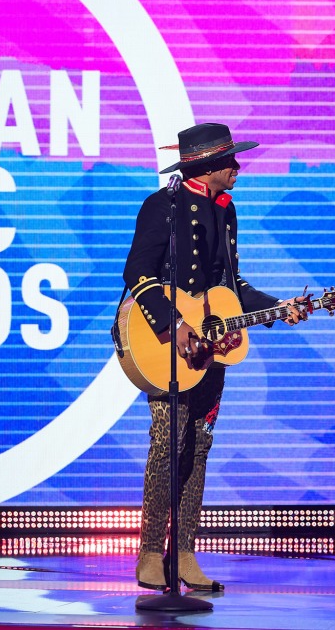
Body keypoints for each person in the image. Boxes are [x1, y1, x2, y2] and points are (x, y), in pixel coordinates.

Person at [124, 122, 306, 591]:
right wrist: (173, 324)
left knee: (199, 445)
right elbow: (137, 272)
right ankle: (149, 553)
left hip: (213, 344)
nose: (238, 168)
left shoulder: (227, 212)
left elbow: (233, 286)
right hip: (167, 344)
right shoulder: (161, 206)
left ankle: (184, 551)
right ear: (207, 165)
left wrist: (277, 307)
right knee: (168, 445)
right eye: (230, 161)